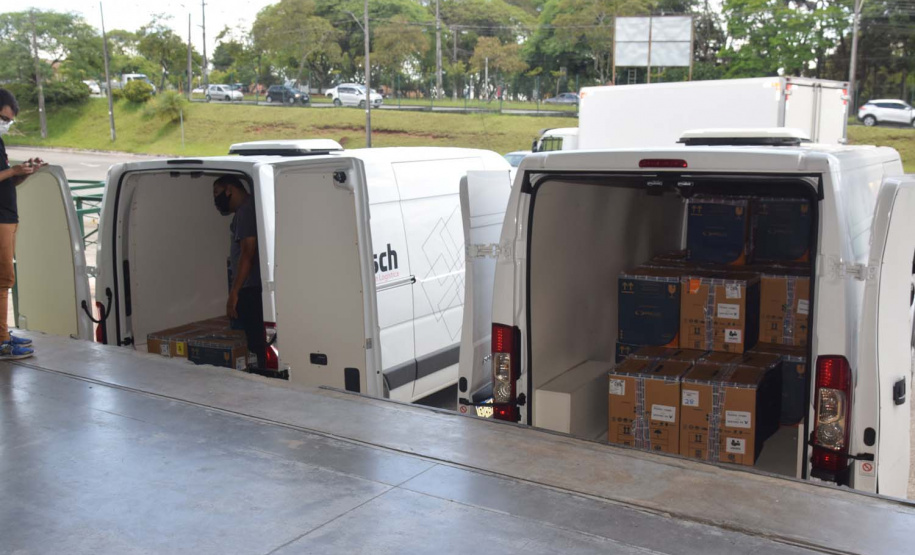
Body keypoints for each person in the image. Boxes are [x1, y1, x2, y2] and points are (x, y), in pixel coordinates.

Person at [0, 88, 44, 360]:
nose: (6, 123)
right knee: (2, 282)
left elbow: (6, 180)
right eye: (4, 118)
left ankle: (2, 333)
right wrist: (13, 170)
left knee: (4, 281)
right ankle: (2, 341)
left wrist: (24, 173)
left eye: (9, 120)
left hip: (7, 218)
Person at [212, 175, 266, 371]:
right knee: (255, 342)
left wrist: (234, 292)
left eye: (217, 193)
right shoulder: (249, 208)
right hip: (250, 287)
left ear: (229, 190)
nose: (216, 200)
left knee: (256, 343)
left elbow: (247, 253)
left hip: (250, 288)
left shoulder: (245, 211)